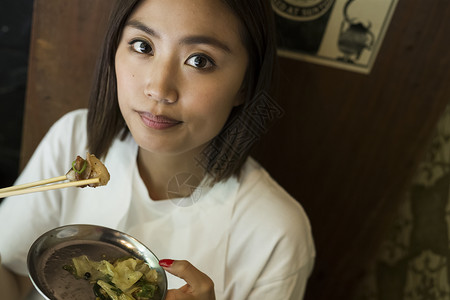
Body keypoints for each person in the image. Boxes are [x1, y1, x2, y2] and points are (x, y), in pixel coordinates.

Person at [0, 0, 315, 299]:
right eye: (143, 46)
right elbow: (11, 274)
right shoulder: (75, 140)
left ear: (245, 84)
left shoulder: (276, 233)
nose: (159, 88)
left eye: (199, 60)